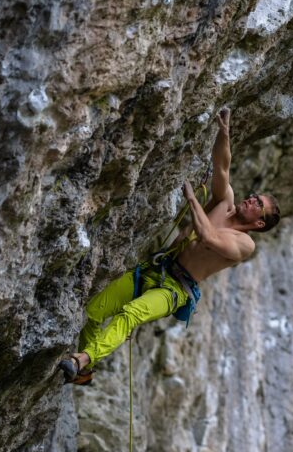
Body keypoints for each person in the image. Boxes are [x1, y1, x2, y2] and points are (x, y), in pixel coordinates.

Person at [59, 107, 281, 384]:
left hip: (175, 289)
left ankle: (81, 360)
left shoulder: (245, 244)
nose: (250, 200)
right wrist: (223, 134)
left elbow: (208, 238)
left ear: (259, 223)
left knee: (130, 314)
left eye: (258, 205)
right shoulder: (225, 203)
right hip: (155, 269)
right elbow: (223, 166)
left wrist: (192, 200)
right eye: (254, 197)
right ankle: (84, 373)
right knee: (94, 311)